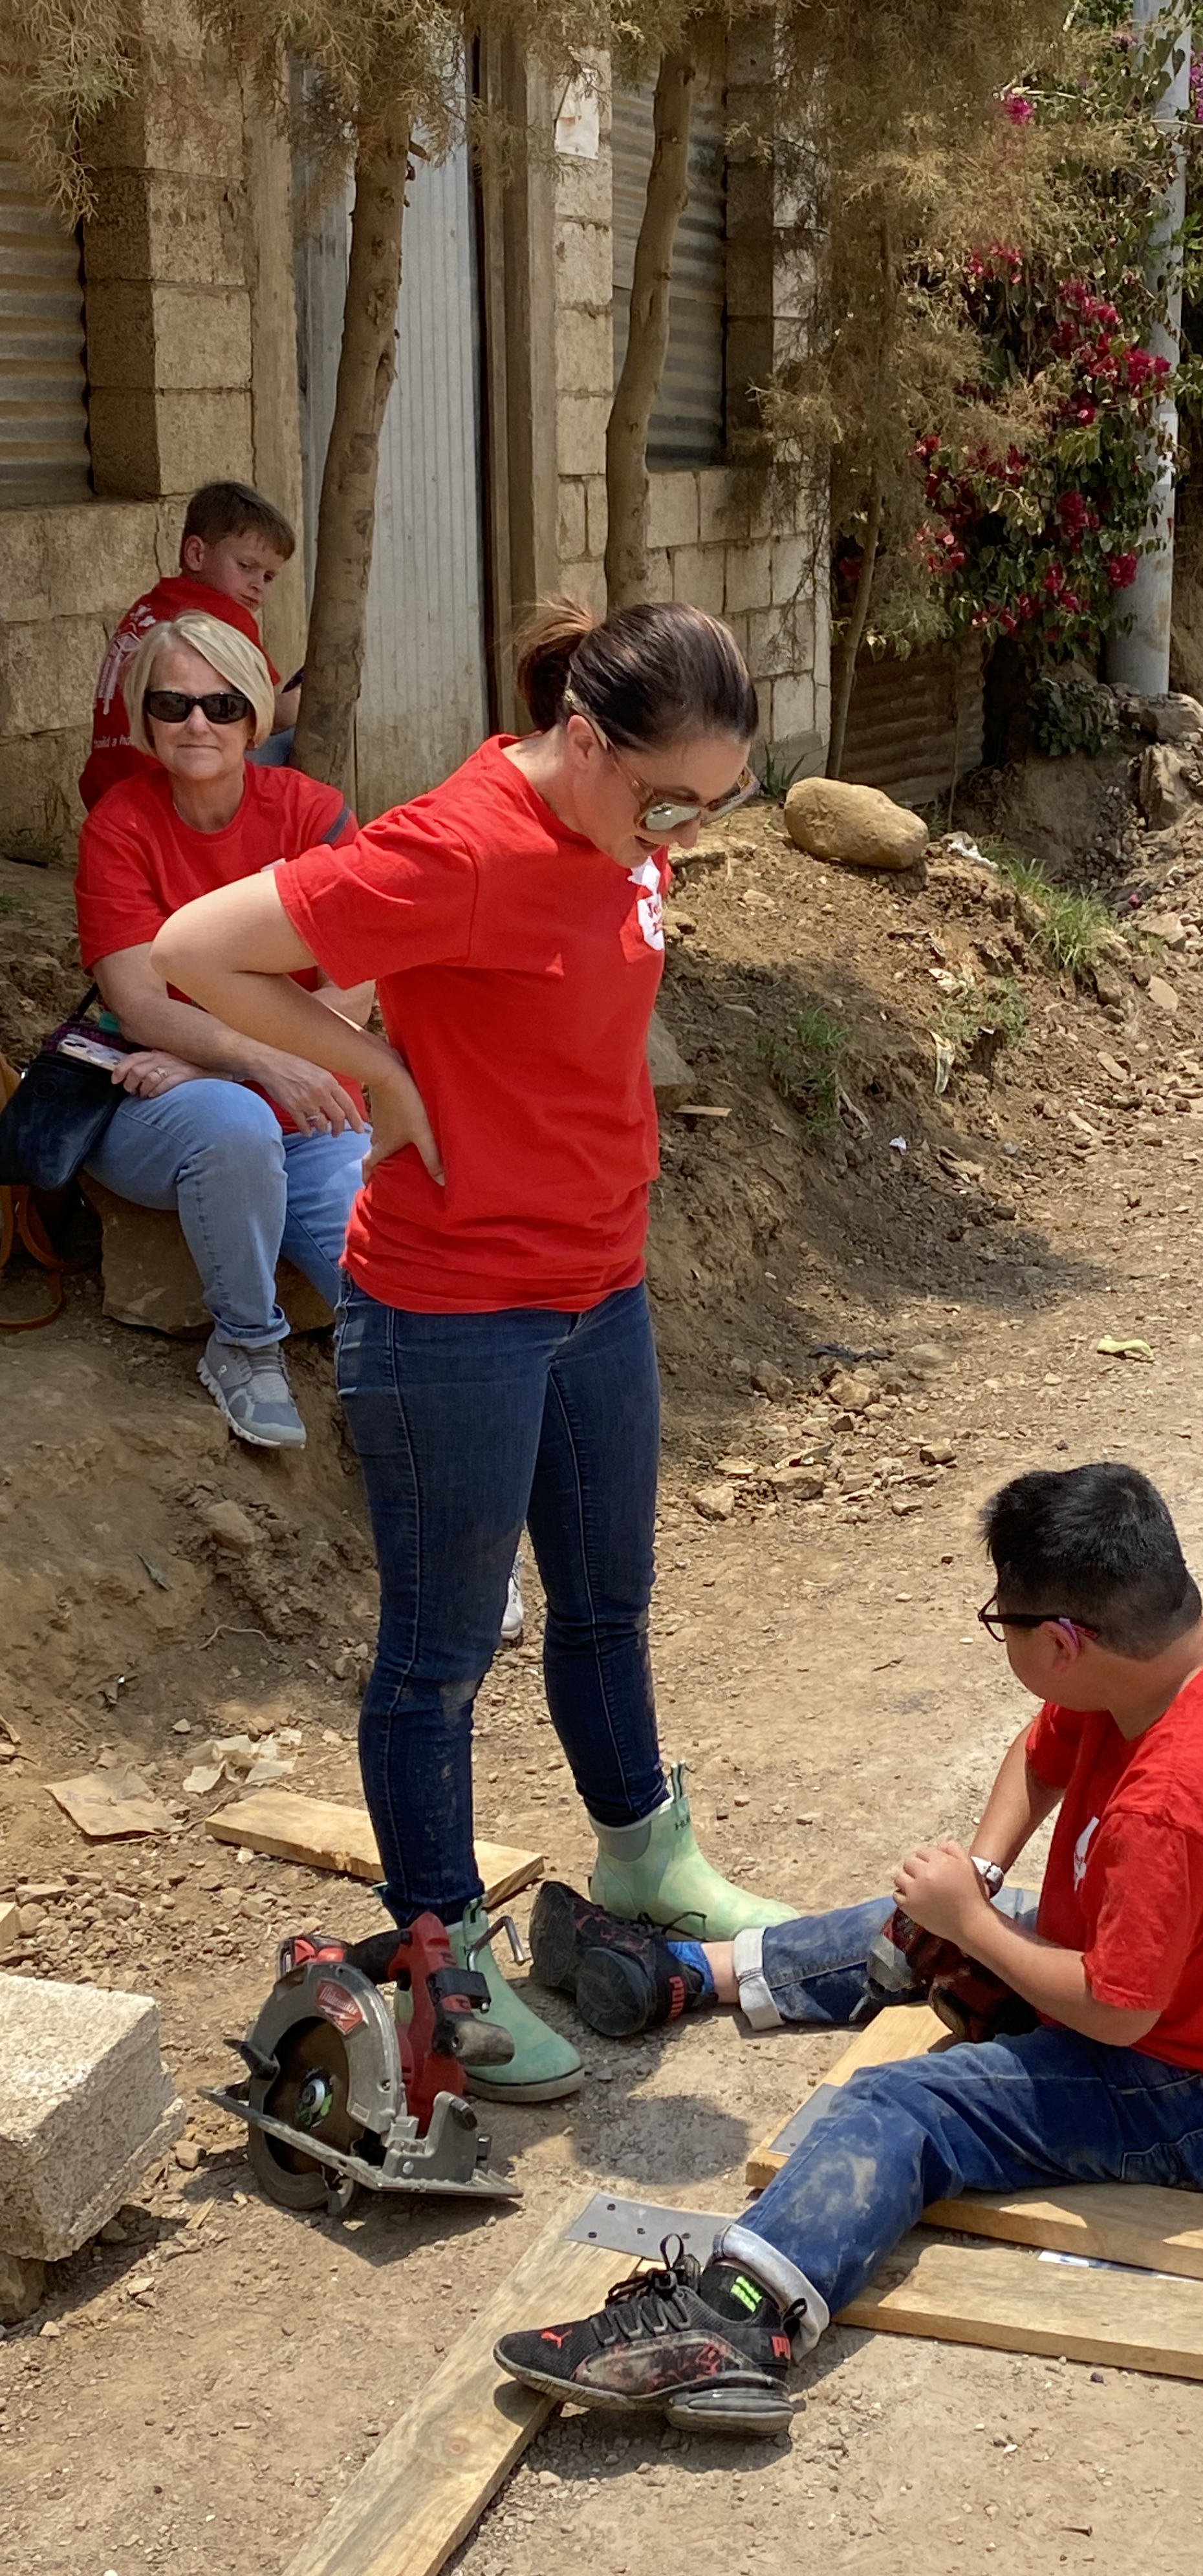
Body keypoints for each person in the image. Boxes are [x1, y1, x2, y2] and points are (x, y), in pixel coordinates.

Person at [149, 597, 792, 2103]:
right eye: (671, 802)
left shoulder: (620, 829)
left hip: (599, 1287)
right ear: (587, 741)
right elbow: (194, 950)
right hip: (452, 1310)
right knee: (439, 1660)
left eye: (714, 801)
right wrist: (372, 1069)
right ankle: (446, 1968)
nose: (685, 834)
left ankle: (643, 1857)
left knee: (608, 1606)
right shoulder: (455, 851)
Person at [492, 1463, 1203, 2433]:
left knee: (904, 2106)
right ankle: (684, 1973)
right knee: (923, 1911)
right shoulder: (1174, 1672)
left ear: (1064, 1643)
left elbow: (1119, 2010)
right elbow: (1042, 1754)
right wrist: (977, 1882)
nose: (1000, 1633)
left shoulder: (1174, 1802)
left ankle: (738, 2319)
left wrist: (976, 1928)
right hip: (1200, 2014)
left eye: (1003, 1621)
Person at [77, 612, 367, 1449]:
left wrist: (224, 1062)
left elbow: (354, 992)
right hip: (161, 1108)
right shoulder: (121, 827)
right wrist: (248, 1066)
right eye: (173, 703)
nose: (198, 722)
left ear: (254, 715)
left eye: (223, 703)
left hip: (302, 1108)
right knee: (233, 1123)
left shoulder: (314, 817)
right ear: (145, 716)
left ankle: (405, 1409)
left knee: (389, 1284)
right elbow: (139, 1004)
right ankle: (245, 1343)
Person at [83, 481, 301, 810]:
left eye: (268, 577)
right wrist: (303, 700)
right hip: (171, 784)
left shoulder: (147, 608)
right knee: (298, 738)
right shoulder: (224, 616)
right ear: (197, 554)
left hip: (107, 789)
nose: (257, 585)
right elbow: (267, 718)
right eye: (246, 567)